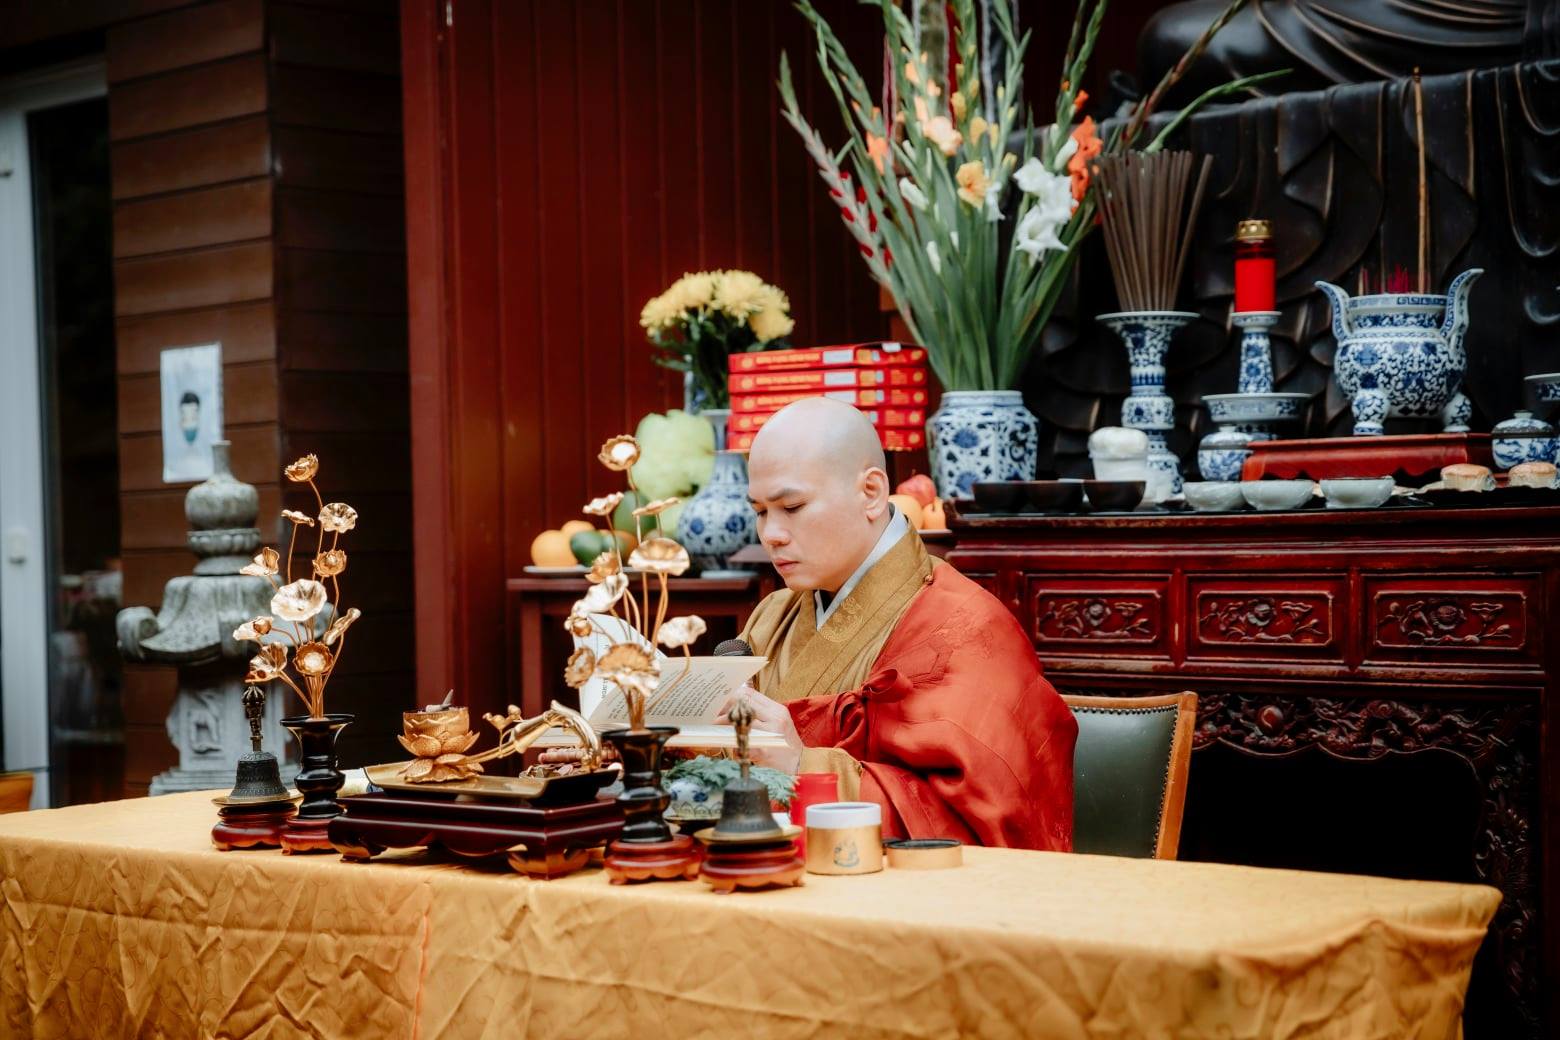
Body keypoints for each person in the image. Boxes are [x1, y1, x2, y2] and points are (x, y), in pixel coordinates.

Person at [718, 397, 1076, 851]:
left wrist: (802, 768)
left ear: (871, 492)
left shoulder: (966, 628)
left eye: (792, 507)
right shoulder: (771, 617)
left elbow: (982, 822)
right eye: (760, 511)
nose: (771, 534)